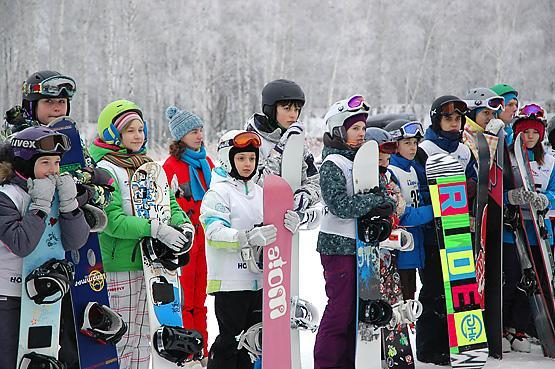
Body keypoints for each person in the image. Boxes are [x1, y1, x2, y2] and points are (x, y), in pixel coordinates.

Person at [90, 99, 194, 369]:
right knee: (122, 337)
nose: (138, 135)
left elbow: (169, 204)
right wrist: (155, 229)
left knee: (146, 338)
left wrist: (184, 226)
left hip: (152, 267)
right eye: (130, 131)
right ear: (113, 134)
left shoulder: (148, 166)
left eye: (141, 129)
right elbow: (112, 221)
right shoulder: (105, 170)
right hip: (119, 266)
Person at [200, 129, 300, 369]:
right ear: (228, 159)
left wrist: (291, 226)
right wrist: (247, 236)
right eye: (241, 158)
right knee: (230, 342)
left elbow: (273, 232)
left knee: (253, 342)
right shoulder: (218, 193)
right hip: (230, 282)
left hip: (259, 280)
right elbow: (213, 233)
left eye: (252, 158)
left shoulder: (261, 193)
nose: (247, 164)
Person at [313, 95, 395, 369]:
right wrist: (373, 202)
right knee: (340, 311)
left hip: (365, 247)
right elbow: (339, 205)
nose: (362, 134)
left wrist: (383, 209)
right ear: (339, 129)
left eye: (363, 128)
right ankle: (327, 364)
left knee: (358, 313)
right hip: (338, 247)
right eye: (355, 128)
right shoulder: (332, 165)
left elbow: (386, 197)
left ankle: (351, 362)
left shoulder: (365, 161)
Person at [0, 126, 89, 369]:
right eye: (46, 163)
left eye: (57, 163)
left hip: (45, 293)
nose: (53, 171)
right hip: (9, 297)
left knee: (40, 361)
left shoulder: (54, 192)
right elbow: (20, 243)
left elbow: (75, 242)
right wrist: (39, 206)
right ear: (26, 164)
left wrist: (70, 206)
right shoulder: (6, 196)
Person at [414, 95, 477, 365]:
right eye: (448, 118)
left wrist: (471, 190)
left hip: (459, 231)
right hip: (432, 233)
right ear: (436, 120)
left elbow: (474, 179)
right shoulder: (424, 149)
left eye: (457, 119)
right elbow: (418, 188)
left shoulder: (463, 150)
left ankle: (456, 342)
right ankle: (430, 347)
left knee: (458, 289)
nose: (453, 124)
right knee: (434, 289)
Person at [162, 105, 213, 363]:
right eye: (193, 131)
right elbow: (165, 204)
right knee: (183, 298)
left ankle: (201, 347)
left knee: (200, 298)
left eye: (200, 130)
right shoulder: (170, 166)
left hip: (206, 239)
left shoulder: (207, 163)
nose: (199, 135)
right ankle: (185, 349)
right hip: (184, 241)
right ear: (180, 136)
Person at [503, 103, 554, 353]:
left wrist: (547, 199)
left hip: (539, 233)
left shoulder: (550, 162)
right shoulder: (508, 159)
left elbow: (554, 191)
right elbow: (493, 190)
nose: (530, 136)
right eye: (525, 131)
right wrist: (509, 197)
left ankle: (521, 327)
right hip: (513, 231)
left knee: (534, 281)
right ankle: (504, 326)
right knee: (511, 278)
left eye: (535, 131)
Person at [245, 79, 321, 228]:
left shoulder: (296, 140)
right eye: (287, 109)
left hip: (288, 223)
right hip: (257, 224)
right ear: (271, 109)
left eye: (297, 110)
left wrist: (305, 195)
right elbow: (257, 185)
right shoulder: (251, 140)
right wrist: (279, 150)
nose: (293, 115)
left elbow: (315, 180)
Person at [383, 120, 434, 300]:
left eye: (415, 143)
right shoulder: (391, 171)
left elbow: (417, 201)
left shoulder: (412, 169)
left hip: (415, 243)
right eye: (407, 143)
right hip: (399, 246)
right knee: (402, 296)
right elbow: (403, 215)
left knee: (411, 294)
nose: (413, 148)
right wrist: (437, 209)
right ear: (395, 145)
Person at [462, 87, 505, 163]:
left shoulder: (479, 133)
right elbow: (482, 169)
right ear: (471, 112)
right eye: (486, 112)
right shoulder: (464, 136)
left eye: (493, 113)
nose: (491, 118)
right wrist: (490, 135)